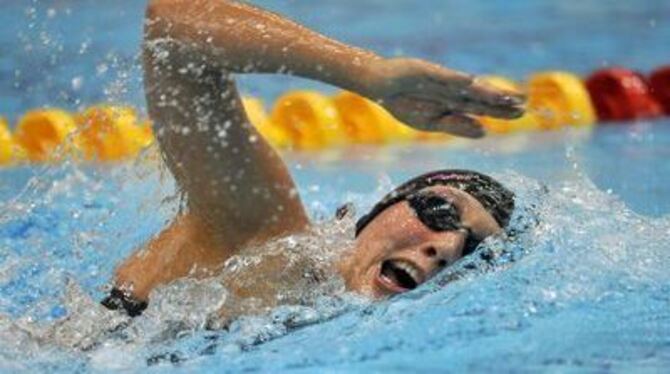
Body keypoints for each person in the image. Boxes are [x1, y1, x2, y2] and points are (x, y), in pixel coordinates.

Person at [102, 0, 524, 318]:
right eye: (440, 211)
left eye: (474, 250)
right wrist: (368, 74)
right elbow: (171, 29)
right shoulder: (266, 237)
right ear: (383, 207)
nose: (448, 248)